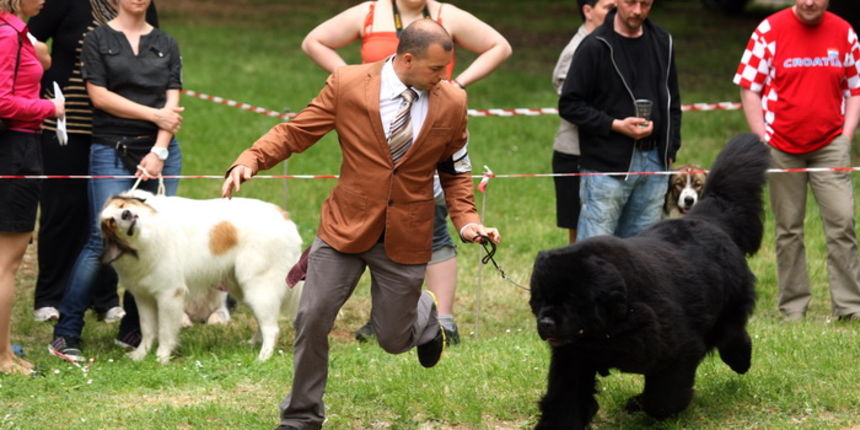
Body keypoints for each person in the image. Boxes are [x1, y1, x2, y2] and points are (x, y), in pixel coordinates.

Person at [222, 20, 501, 430]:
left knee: (391, 339)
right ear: (407, 58)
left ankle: (423, 312)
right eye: (436, 69)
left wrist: (468, 222)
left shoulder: (452, 100)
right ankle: (301, 416)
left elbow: (456, 170)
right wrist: (251, 159)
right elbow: (297, 132)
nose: (444, 77)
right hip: (344, 228)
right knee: (312, 316)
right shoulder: (348, 83)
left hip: (406, 232)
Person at [301, 0, 511, 344]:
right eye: (436, 68)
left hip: (424, 137)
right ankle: (391, 312)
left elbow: (499, 46)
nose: (441, 73)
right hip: (375, 143)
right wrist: (351, 82)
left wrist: (457, 83)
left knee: (432, 228)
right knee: (361, 251)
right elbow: (314, 41)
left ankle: (434, 313)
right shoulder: (369, 13)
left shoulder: (446, 18)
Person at [49, 0, 183, 361]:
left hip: (160, 153)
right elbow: (100, 97)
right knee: (100, 238)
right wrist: (154, 114)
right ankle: (66, 332)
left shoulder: (167, 43)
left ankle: (135, 330)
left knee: (153, 241)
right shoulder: (97, 39)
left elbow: (173, 108)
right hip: (110, 148)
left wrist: (159, 153)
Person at [28, 0, 158, 328]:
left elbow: (152, 49)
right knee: (63, 208)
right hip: (66, 124)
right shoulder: (68, 3)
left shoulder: (140, 3)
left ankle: (105, 299)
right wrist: (44, 71)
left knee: (107, 214)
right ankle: (49, 296)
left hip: (115, 127)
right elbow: (26, 36)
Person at [733, 0, 860, 322]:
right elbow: (750, 88)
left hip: (831, 144)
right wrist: (762, 138)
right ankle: (793, 307)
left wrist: (845, 137)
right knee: (788, 228)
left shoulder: (844, 32)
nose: (808, 2)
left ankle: (849, 306)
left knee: (842, 223)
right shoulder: (769, 31)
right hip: (781, 145)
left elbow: (855, 90)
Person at [559, 0, 681, 241]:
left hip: (654, 162)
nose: (637, 11)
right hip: (606, 165)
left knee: (644, 255)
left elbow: (673, 101)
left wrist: (671, 144)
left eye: (645, 4)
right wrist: (615, 125)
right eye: (630, 2)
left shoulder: (663, 41)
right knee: (596, 252)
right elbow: (570, 105)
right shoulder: (595, 45)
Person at [0, 0, 65, 375]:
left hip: (17, 149)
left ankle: (4, 345)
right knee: (6, 264)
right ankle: (3, 358)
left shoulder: (15, 32)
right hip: (15, 151)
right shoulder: (8, 34)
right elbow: (5, 103)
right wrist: (49, 109)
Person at [551, 0, 616, 244]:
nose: (615, 13)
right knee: (581, 238)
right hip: (575, 154)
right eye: (608, 7)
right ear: (588, 11)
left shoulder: (606, 42)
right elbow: (573, 105)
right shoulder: (576, 50)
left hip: (604, 150)